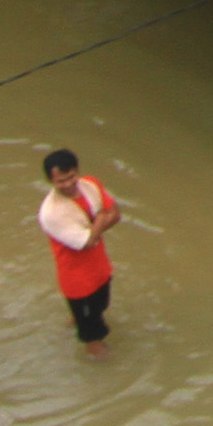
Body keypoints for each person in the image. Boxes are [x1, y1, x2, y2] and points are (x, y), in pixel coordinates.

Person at [38, 149, 121, 354]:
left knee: (100, 308)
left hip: (101, 270)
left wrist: (96, 227)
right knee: (94, 338)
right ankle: (98, 357)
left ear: (77, 171)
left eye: (71, 177)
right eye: (60, 181)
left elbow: (116, 215)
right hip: (78, 283)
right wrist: (101, 218)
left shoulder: (91, 185)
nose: (67, 184)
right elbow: (86, 242)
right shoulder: (51, 213)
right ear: (51, 181)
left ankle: (78, 319)